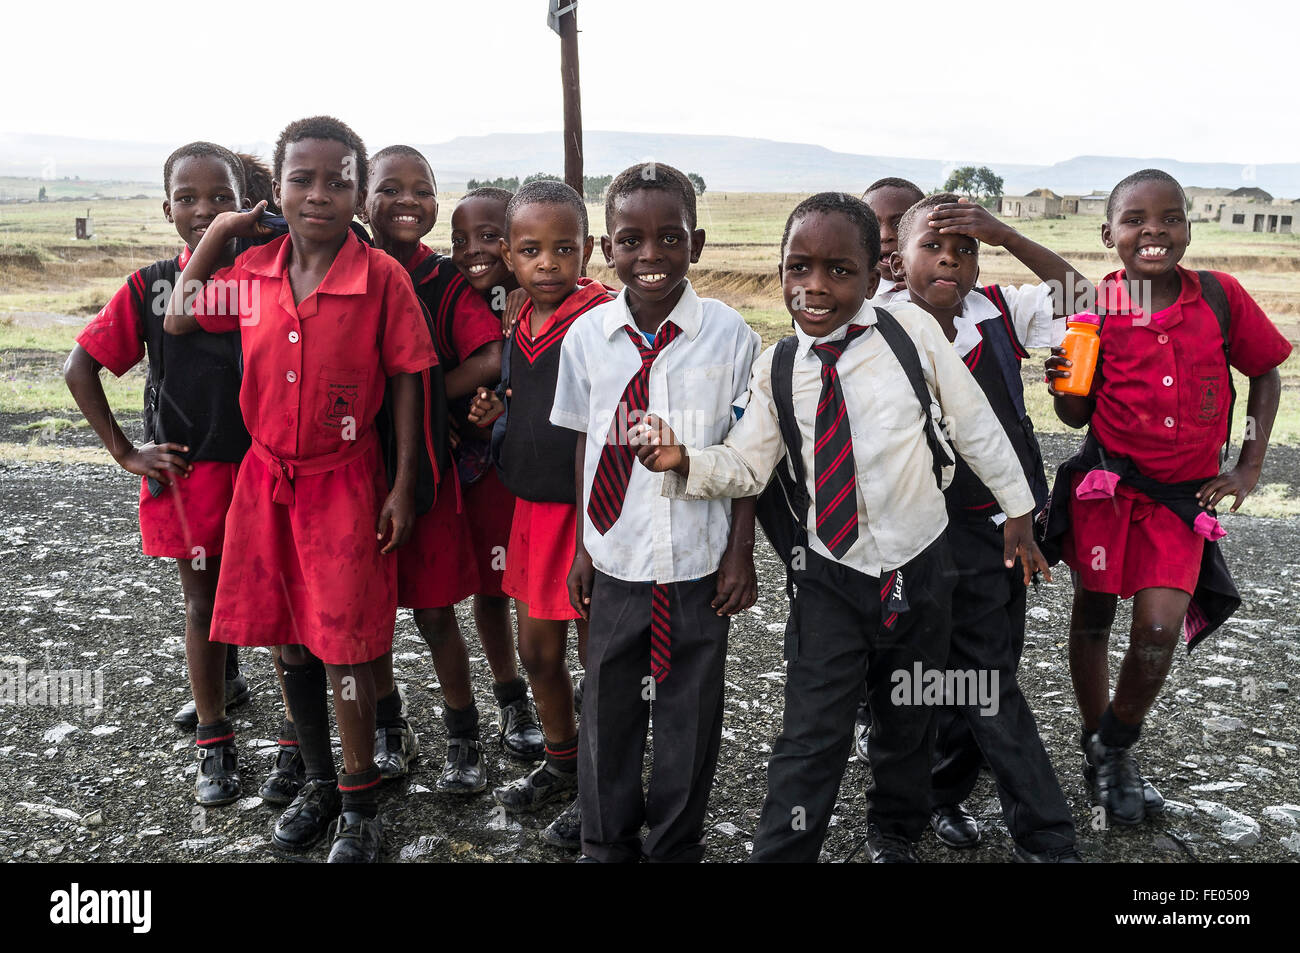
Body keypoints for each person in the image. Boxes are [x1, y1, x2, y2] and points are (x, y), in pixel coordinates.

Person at [634, 192, 1049, 862]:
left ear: (871, 274)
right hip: (829, 575)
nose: (816, 287)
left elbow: (975, 423)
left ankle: (894, 830)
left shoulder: (908, 336)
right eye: (799, 267)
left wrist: (1020, 511)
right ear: (781, 270)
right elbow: (748, 463)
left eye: (839, 270)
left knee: (908, 716)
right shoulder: (778, 368)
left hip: (920, 563)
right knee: (811, 731)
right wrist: (684, 459)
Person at [164, 116, 436, 863]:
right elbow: (181, 313)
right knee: (289, 641)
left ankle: (358, 801)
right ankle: (317, 780)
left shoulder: (381, 279)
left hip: (345, 485)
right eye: (302, 179)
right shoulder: (251, 276)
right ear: (276, 190)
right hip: (266, 481)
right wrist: (222, 231)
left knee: (344, 647)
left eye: (338, 179)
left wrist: (404, 485)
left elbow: (412, 378)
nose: (320, 193)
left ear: (357, 190)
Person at [1043, 169, 1290, 826]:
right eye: (1135, 220)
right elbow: (1073, 416)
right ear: (1109, 234)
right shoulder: (1095, 306)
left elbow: (1266, 372)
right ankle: (1099, 745)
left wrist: (1248, 465)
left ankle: (1115, 742)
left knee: (1156, 630)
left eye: (1170, 217)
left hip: (1181, 503)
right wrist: (1063, 388)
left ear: (1187, 226)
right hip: (1107, 491)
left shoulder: (1219, 297)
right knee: (1093, 616)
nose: (1153, 230)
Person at [550, 162, 761, 862]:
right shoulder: (585, 338)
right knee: (607, 708)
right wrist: (583, 545)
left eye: (669, 238)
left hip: (700, 560)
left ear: (695, 244)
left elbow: (746, 451)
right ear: (607, 249)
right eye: (631, 240)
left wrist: (740, 550)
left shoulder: (730, 336)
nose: (650, 256)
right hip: (617, 556)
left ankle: (676, 842)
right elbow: (584, 441)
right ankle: (605, 841)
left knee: (689, 716)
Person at [888, 192, 1083, 861]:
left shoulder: (997, 308)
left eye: (966, 247)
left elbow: (1086, 296)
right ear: (895, 260)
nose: (951, 257)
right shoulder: (884, 326)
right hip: (942, 536)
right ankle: (1047, 833)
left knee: (988, 662)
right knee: (988, 678)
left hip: (1016, 527)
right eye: (934, 246)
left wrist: (1004, 233)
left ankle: (942, 790)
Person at [65, 141, 255, 809]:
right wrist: (126, 451)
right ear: (167, 206)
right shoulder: (150, 286)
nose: (205, 209)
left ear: (244, 204)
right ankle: (214, 739)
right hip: (190, 473)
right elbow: (78, 368)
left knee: (273, 601)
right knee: (203, 604)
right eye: (190, 197)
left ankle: (288, 731)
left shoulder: (269, 277)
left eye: (221, 197)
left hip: (264, 472)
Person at [362, 147, 542, 794]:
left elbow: (491, 354)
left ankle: (473, 724)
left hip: (436, 473)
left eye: (421, 188)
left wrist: (420, 396)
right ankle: (389, 727)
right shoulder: (342, 267)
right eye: (390, 188)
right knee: (368, 614)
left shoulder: (443, 282)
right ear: (363, 198)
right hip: (355, 474)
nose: (407, 199)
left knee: (446, 610)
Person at [468, 180, 614, 850]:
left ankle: (601, 790)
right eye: (531, 249)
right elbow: (528, 398)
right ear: (508, 254)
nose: (549, 261)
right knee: (537, 651)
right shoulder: (519, 316)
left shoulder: (603, 318)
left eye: (565, 247)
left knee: (598, 659)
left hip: (588, 517)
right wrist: (500, 411)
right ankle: (562, 760)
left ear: (587, 250)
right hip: (532, 511)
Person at [851, 175, 925, 760]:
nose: (888, 241)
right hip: (853, 512)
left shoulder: (956, 302)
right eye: (875, 229)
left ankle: (924, 767)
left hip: (931, 515)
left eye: (903, 228)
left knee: (918, 637)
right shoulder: (848, 309)